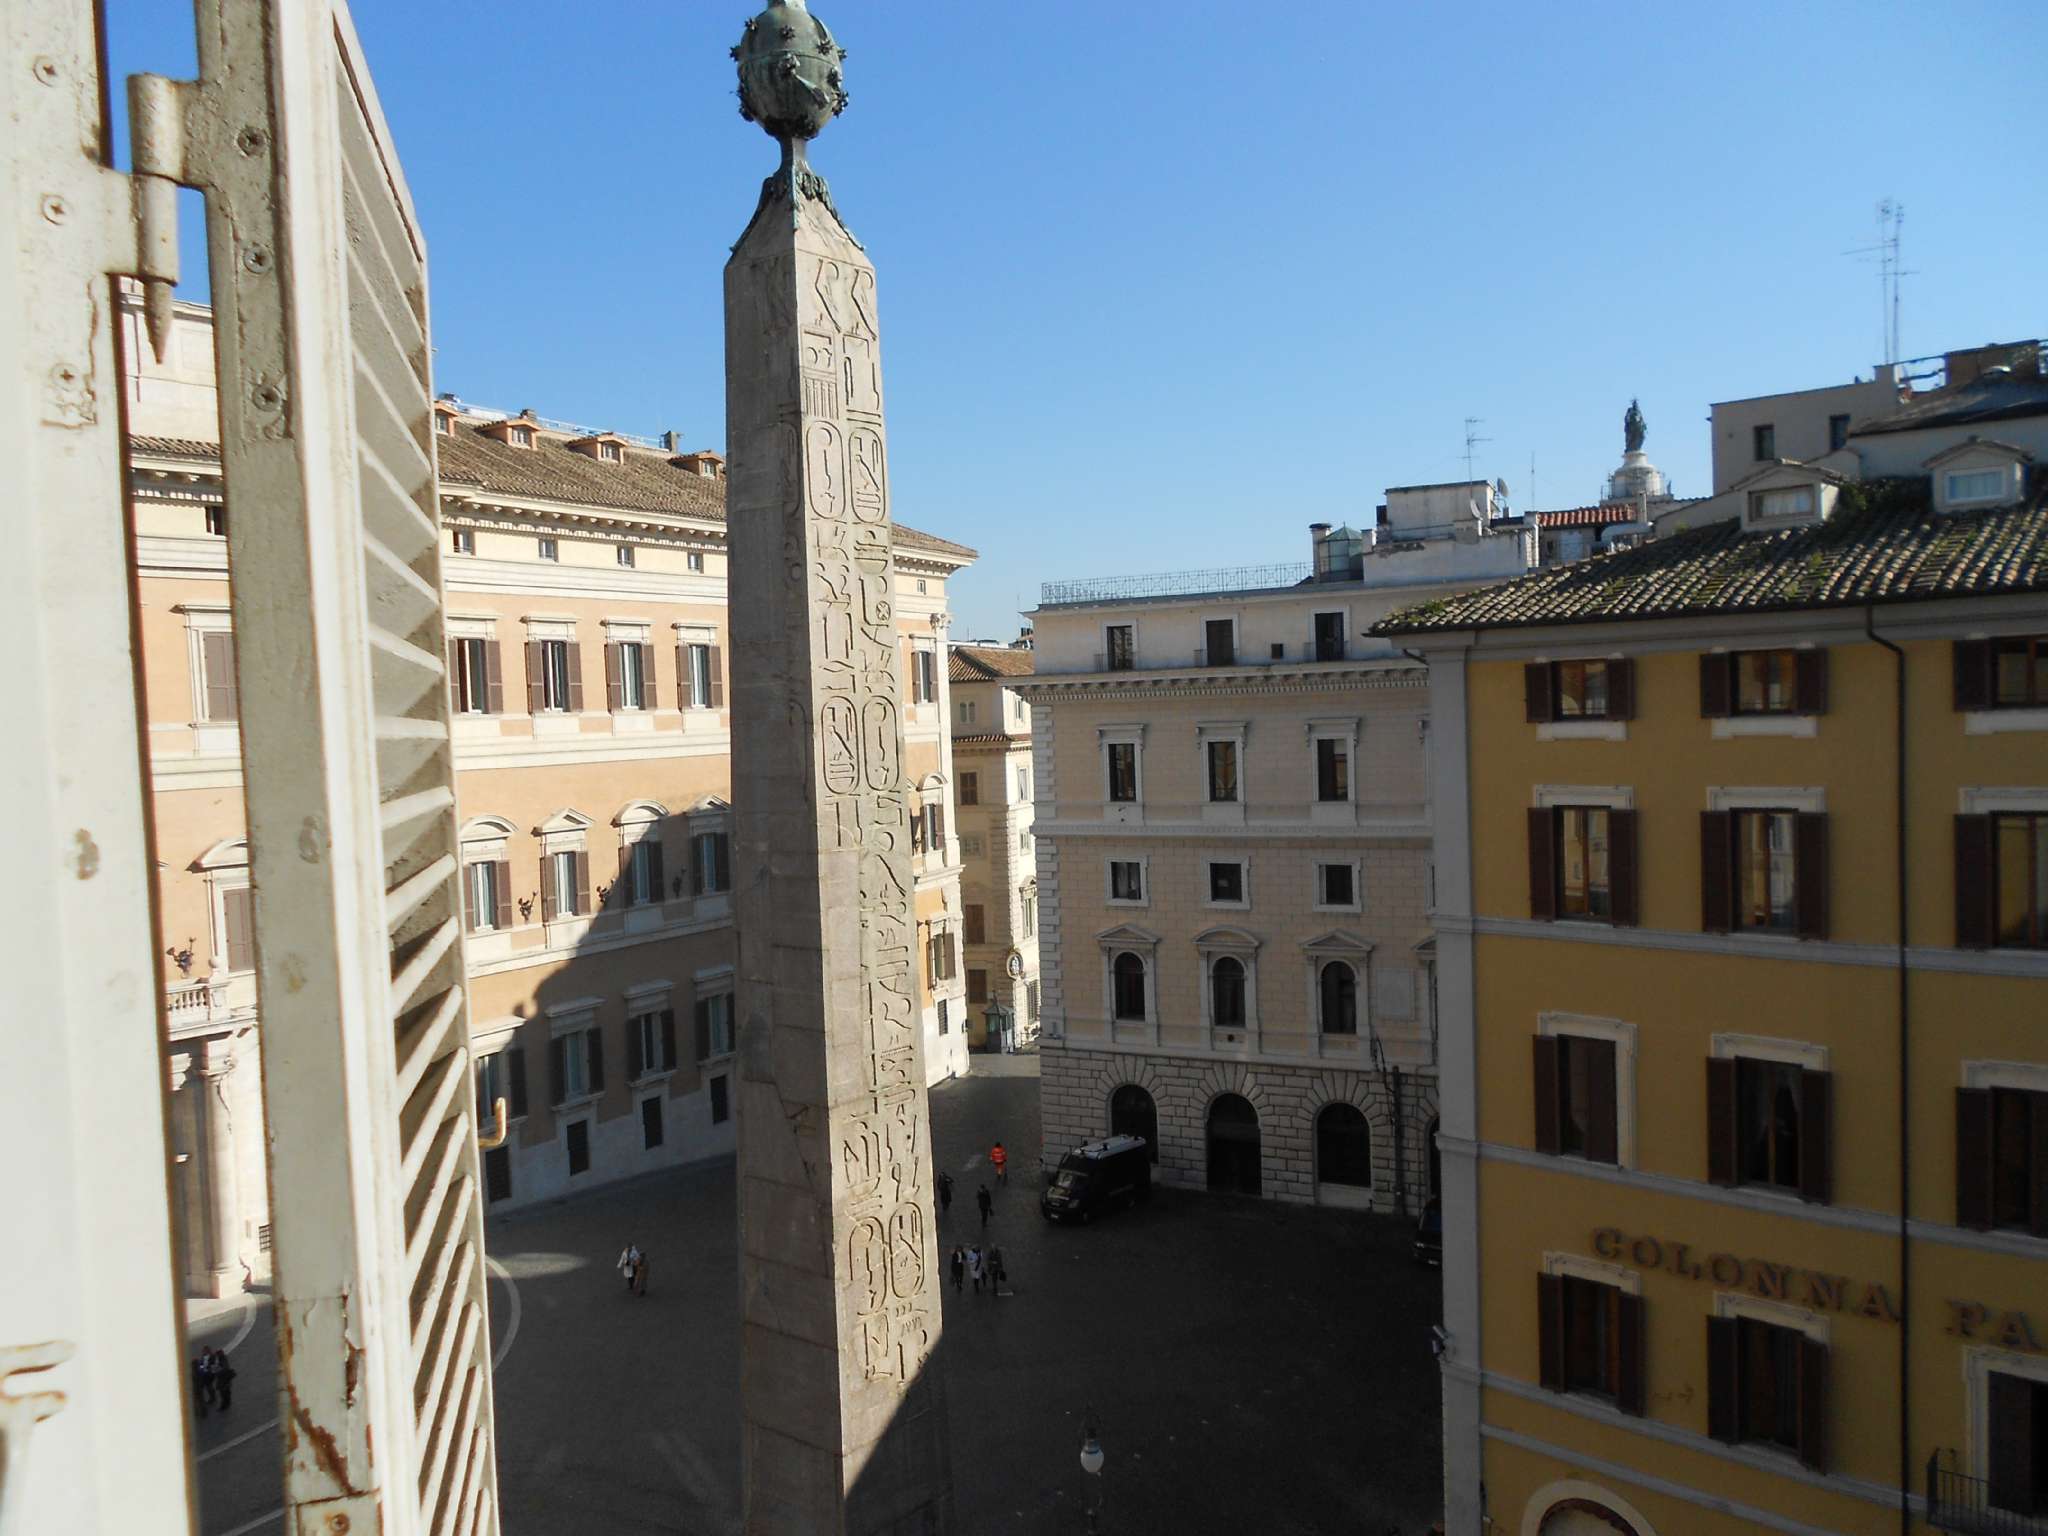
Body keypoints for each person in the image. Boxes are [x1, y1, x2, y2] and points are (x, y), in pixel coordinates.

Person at [191, 1353, 213, 1419]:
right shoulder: (199, 1369)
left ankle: (198, 1413)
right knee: (201, 1401)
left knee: (196, 1401)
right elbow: (203, 1370)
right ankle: (202, 1413)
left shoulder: (193, 1372)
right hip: (199, 1388)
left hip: (196, 1388)